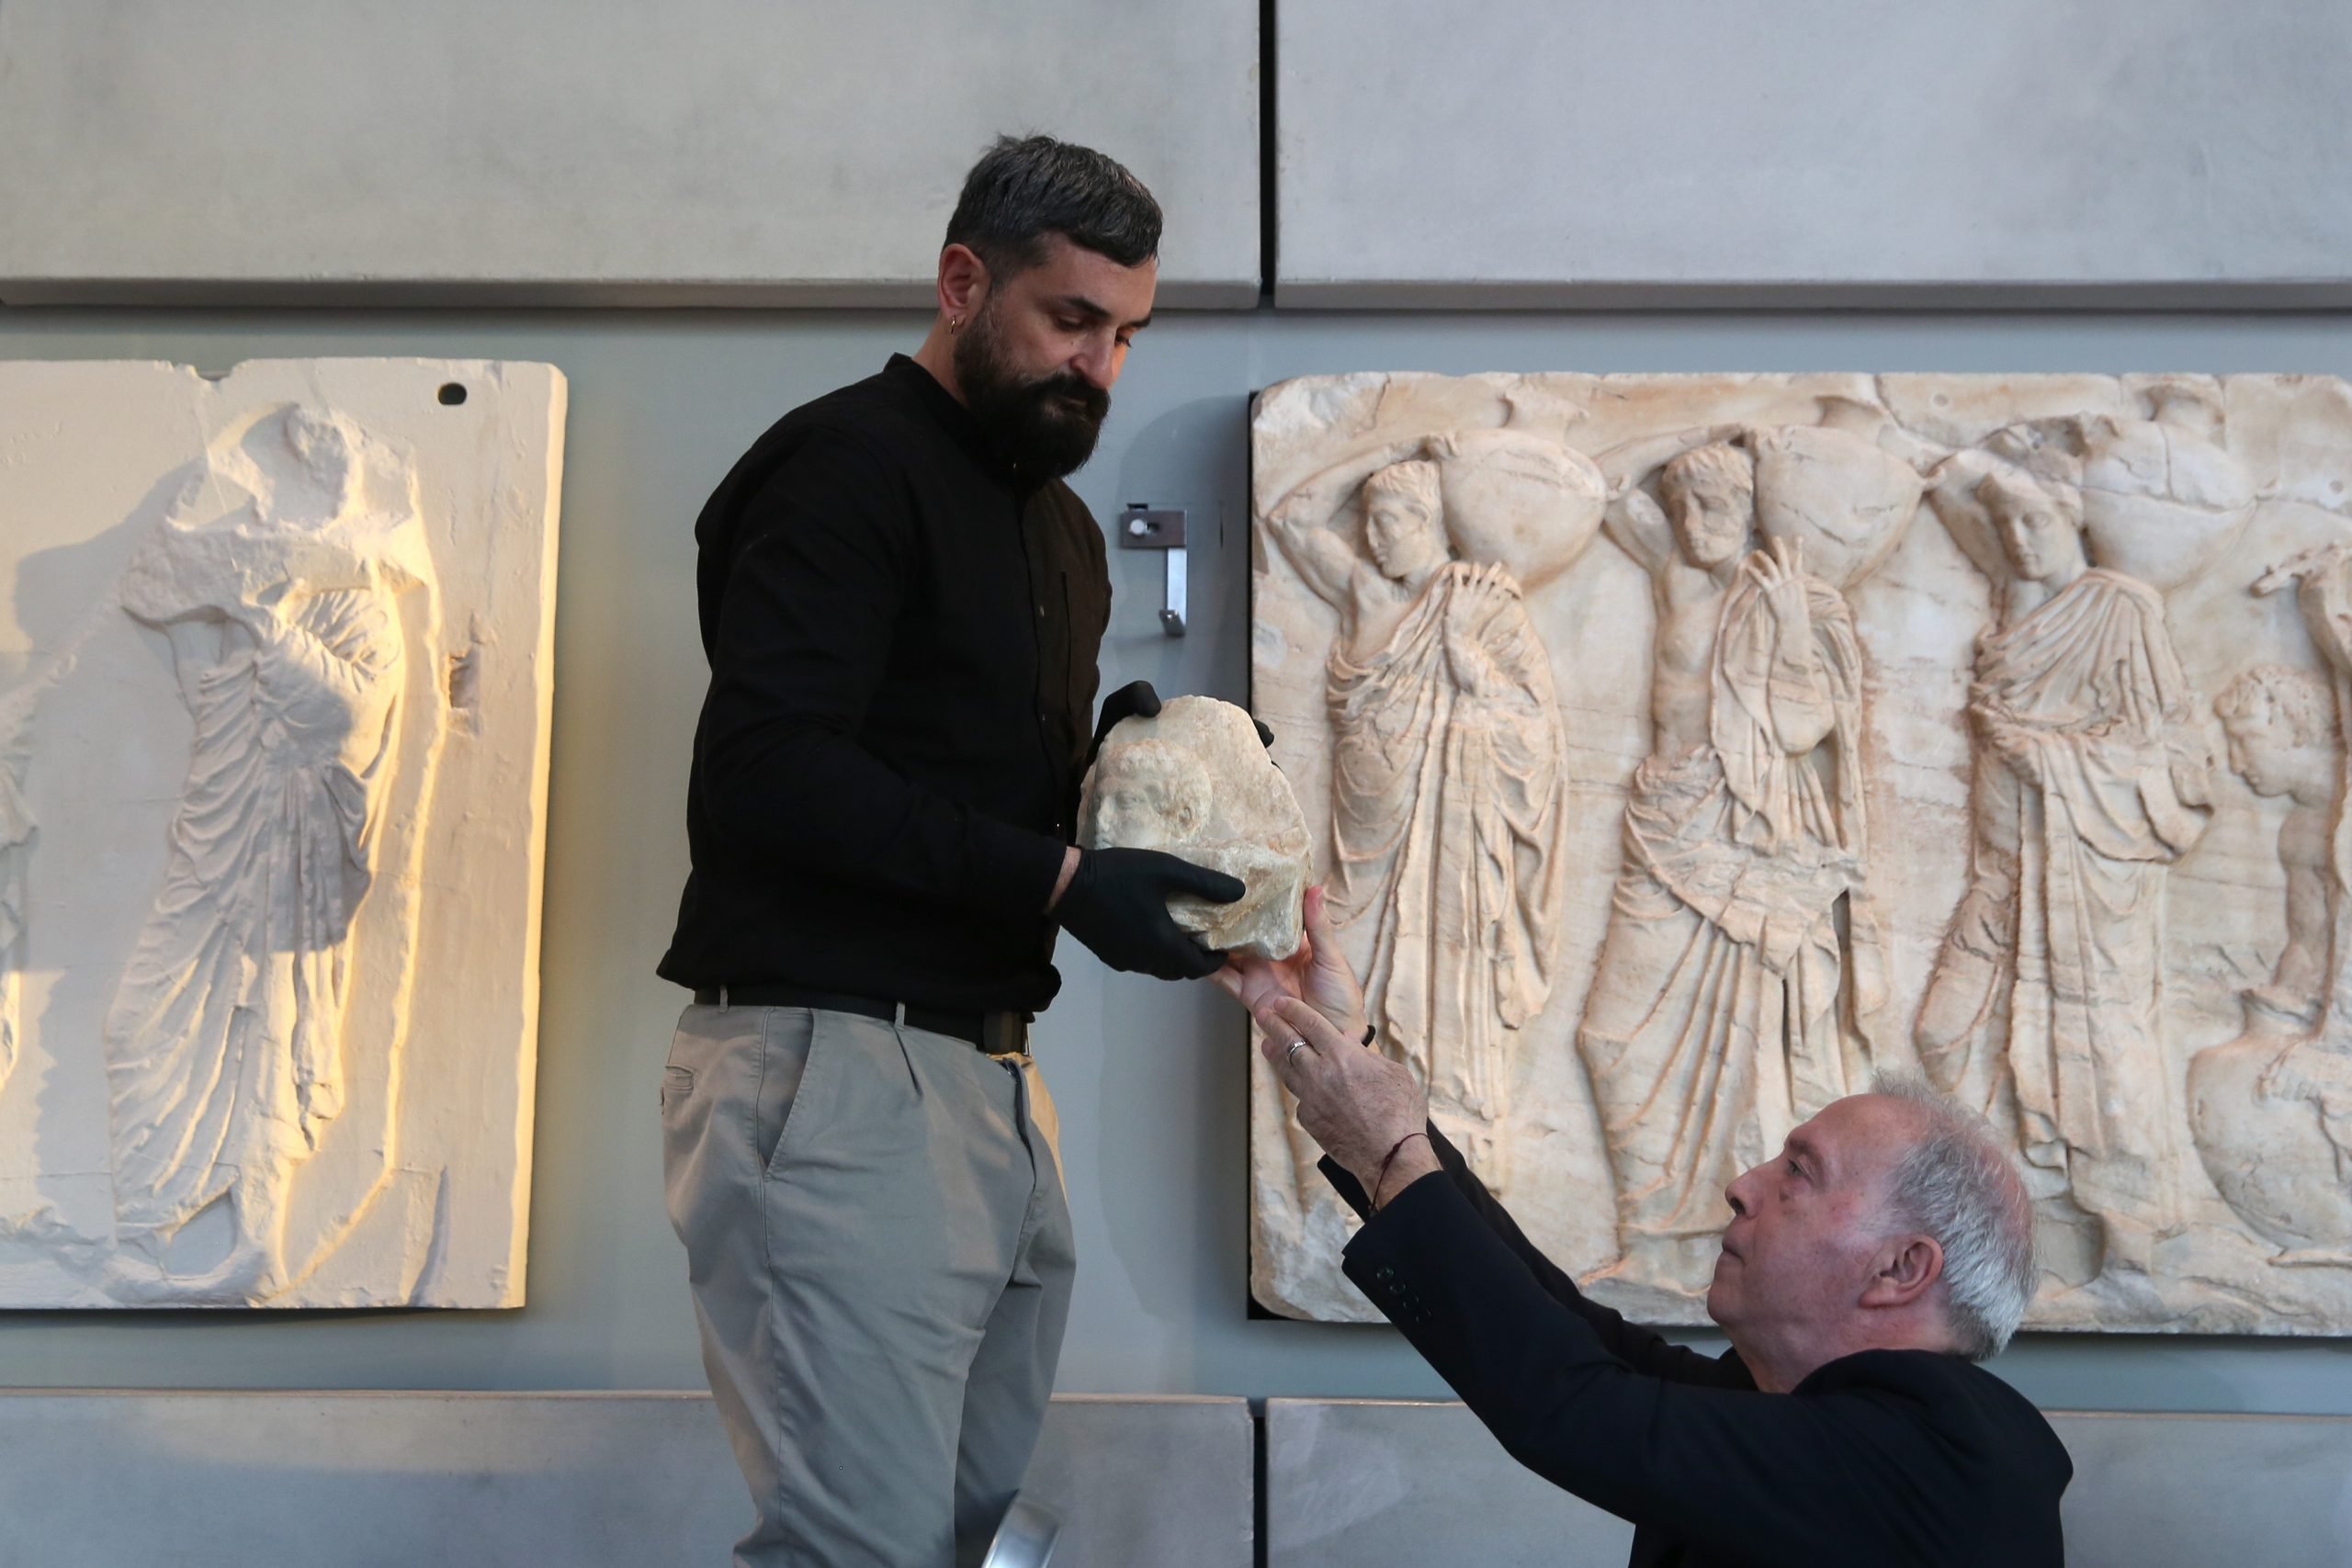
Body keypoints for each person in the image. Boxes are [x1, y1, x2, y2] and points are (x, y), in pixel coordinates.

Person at [656, 135, 1243, 1568]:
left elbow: (962, 773)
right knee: (858, 1547)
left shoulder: (1057, 528)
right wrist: (1054, 879)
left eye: (1126, 335)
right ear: (962, 281)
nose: (1100, 367)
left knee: (964, 1539)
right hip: (833, 1066)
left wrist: (1144, 780)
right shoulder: (842, 466)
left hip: (984, 1076)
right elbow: (768, 770)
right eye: (1070, 320)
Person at [1222, 890, 2068, 1567]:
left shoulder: (1946, 1449)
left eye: (1798, 1172)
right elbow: (1568, 1333)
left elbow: (1573, 1403)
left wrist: (1392, 1147)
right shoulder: (1797, 1408)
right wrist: (1350, 1063)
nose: (1742, 1186)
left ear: (1899, 1267)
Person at [1578, 442, 1871, 1294]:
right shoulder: (1672, 568)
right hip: (1667, 824)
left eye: (1719, 508)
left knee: (1749, 1059)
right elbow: (1604, 484)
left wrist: (1784, 622)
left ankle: (1740, 1256)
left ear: (1751, 513)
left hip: (1749, 839)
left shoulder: (1792, 598)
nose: (1699, 527)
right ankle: (1647, 1232)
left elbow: (1807, 726)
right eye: (1688, 508)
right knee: (1610, 1038)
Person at [1915, 461, 2211, 1280]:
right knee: (1942, 1031)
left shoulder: (2120, 610)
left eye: (2035, 521)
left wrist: (2043, 754)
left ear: (2071, 514)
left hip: (2091, 877)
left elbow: (2174, 757)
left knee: (2103, 1048)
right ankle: (2012, 1209)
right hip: (2005, 877)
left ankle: (2129, 1245)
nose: (2019, 540)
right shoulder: (2017, 605)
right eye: (2006, 527)